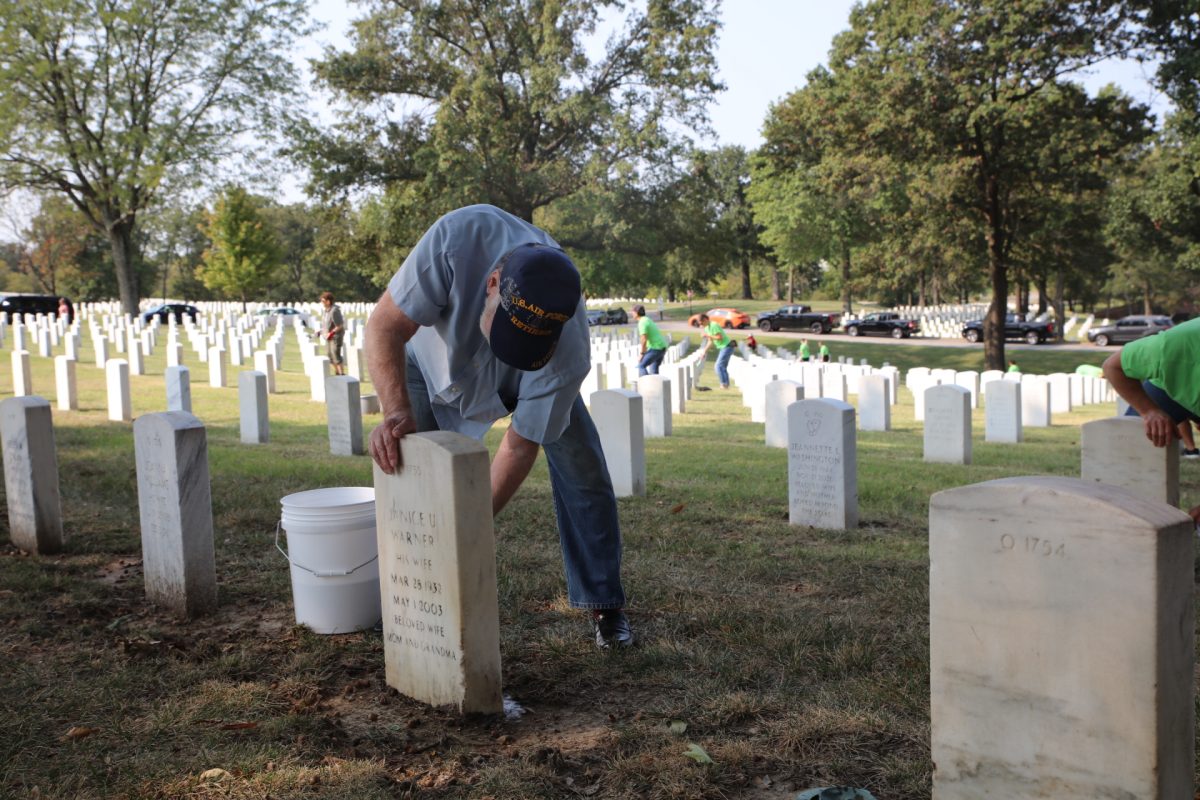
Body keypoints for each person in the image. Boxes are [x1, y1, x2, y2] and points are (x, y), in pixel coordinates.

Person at [365, 204, 633, 648]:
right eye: (510, 333)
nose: (514, 348)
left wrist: (465, 527)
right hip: (428, 364)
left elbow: (519, 446)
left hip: (524, 385)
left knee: (583, 471)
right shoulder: (455, 239)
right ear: (491, 284)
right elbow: (384, 326)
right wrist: (395, 411)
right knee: (410, 468)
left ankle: (604, 602)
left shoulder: (568, 352)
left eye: (531, 344)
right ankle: (412, 595)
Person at [1102, 316, 1200, 522]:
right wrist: (1149, 410)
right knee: (1134, 445)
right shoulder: (1174, 344)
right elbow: (1113, 367)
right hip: (1169, 389)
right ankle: (1124, 520)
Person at [699, 313, 736, 389]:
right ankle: (726, 385)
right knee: (722, 367)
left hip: (727, 346)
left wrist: (707, 335)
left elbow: (719, 337)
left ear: (705, 320)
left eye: (701, 323)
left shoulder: (714, 325)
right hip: (724, 347)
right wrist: (704, 352)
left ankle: (724, 384)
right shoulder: (707, 328)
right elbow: (710, 341)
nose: (701, 325)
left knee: (718, 366)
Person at [632, 304, 667, 376]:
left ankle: (647, 386)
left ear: (636, 313)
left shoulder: (642, 322)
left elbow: (644, 339)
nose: (632, 313)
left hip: (656, 348)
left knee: (641, 366)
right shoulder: (647, 319)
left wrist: (642, 353)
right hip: (661, 347)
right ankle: (656, 386)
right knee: (654, 372)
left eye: (633, 311)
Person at [319, 291, 346, 376]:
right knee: (329, 356)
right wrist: (321, 331)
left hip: (335, 337)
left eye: (323, 301)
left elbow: (340, 325)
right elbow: (325, 324)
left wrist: (332, 333)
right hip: (328, 336)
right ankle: (337, 372)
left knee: (335, 354)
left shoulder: (334, 311)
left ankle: (341, 373)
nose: (322, 303)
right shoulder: (325, 311)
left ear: (328, 301)